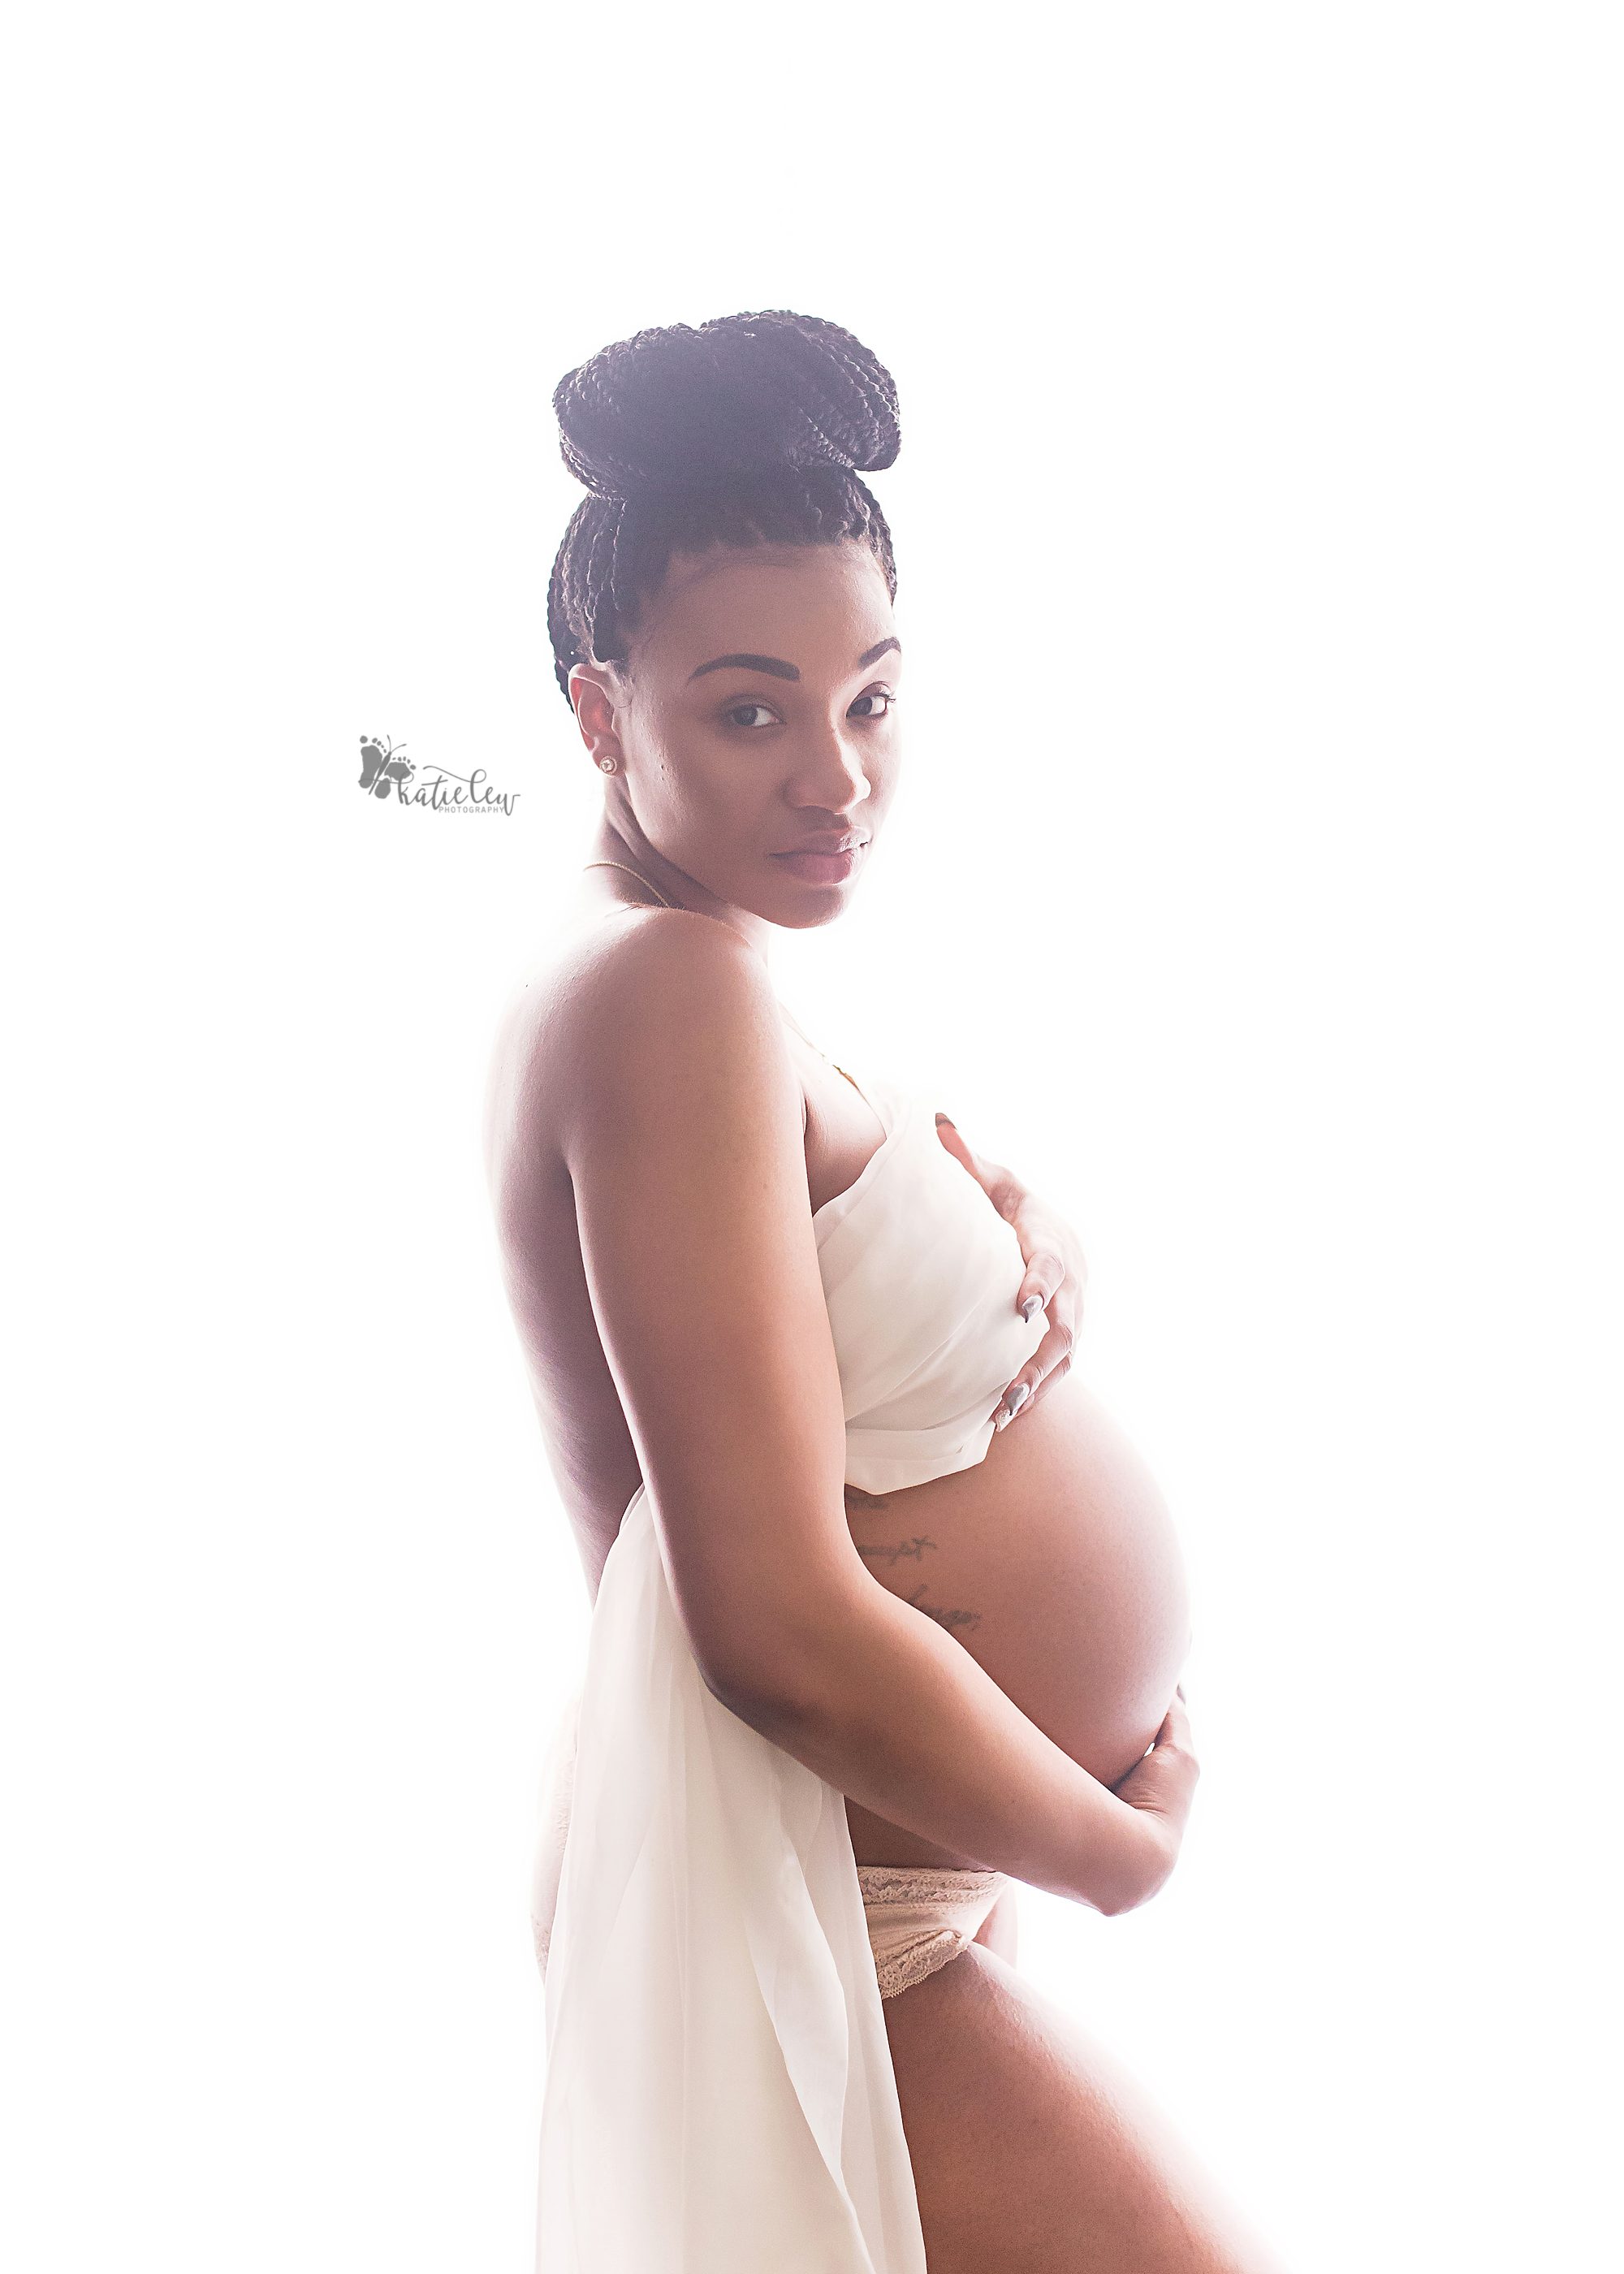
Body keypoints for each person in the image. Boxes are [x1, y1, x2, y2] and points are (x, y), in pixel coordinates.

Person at [484, 310, 1286, 2273]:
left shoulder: (688, 970)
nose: (834, 773)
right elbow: (762, 1619)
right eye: (751, 709)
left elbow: (800, 1353)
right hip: (813, 1885)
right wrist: (1112, 1851)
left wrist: (1016, 1263)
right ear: (602, 714)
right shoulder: (667, 993)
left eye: (874, 695)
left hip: (863, 1863)